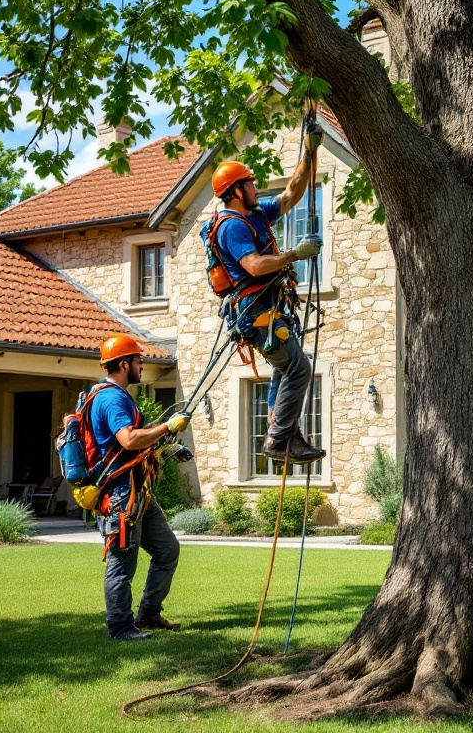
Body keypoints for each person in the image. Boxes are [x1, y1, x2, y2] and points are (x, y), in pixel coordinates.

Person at [201, 120, 326, 464]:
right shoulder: (230, 227)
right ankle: (278, 440)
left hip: (270, 310)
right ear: (235, 191)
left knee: (285, 371)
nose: (256, 188)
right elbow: (255, 266)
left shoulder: (254, 215)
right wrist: (294, 254)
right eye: (250, 184)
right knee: (298, 368)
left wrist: (309, 152)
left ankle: (288, 436)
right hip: (256, 314)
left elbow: (291, 195)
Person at [90, 334, 192, 641]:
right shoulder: (110, 398)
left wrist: (168, 444)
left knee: (167, 549)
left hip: (138, 492)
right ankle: (121, 628)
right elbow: (129, 440)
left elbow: (138, 439)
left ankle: (149, 613)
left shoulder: (119, 396)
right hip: (120, 496)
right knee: (122, 562)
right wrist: (166, 426)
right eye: (138, 360)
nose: (142, 365)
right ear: (124, 364)